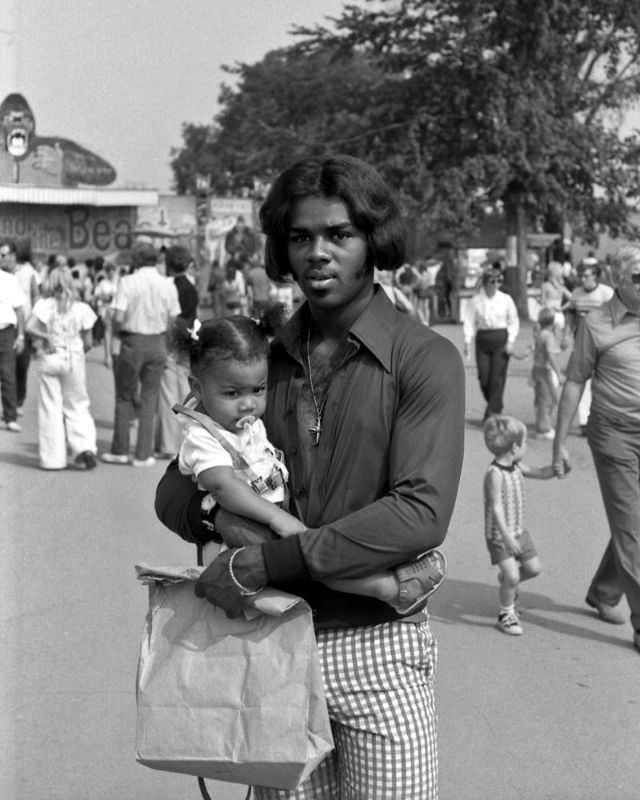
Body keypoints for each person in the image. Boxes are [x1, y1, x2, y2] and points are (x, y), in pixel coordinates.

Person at [155, 154, 465, 799]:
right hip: (276, 644)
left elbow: (419, 513)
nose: (317, 254)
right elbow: (176, 486)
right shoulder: (262, 366)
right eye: (301, 238)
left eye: (339, 235)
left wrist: (272, 559)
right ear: (281, 248)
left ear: (372, 241)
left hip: (380, 653)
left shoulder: (424, 359)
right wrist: (219, 518)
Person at [173, 314, 447, 614]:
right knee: (313, 563)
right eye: (232, 393)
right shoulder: (203, 435)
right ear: (197, 388)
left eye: (258, 390)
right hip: (243, 524)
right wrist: (277, 520)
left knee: (311, 557)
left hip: (269, 512)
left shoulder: (240, 422)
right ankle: (390, 589)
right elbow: (222, 486)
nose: (248, 403)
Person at [553, 245, 640, 653]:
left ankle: (605, 590)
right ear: (618, 278)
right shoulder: (597, 323)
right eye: (638, 276)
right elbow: (574, 381)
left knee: (632, 523)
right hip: (614, 433)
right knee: (632, 525)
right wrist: (559, 445)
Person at [101, 240, 180, 467]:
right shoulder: (168, 284)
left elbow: (117, 317)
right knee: (150, 398)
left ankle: (121, 449)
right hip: (158, 341)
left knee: (125, 396)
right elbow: (173, 318)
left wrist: (118, 333)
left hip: (132, 341)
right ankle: (143, 454)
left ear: (136, 260)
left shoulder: (127, 282)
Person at [483, 415, 556, 635]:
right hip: (500, 536)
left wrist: (556, 469)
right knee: (513, 576)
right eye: (524, 443)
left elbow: (539, 472)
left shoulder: (516, 466)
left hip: (520, 532)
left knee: (534, 569)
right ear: (515, 447)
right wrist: (506, 538)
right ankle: (506, 613)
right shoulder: (494, 474)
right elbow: (496, 507)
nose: (526, 446)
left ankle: (507, 582)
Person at [25, 267, 98, 470]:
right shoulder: (81, 308)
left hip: (50, 357)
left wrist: (47, 337)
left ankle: (53, 459)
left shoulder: (45, 305)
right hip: (73, 358)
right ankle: (84, 447)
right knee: (77, 404)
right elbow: (89, 341)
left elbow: (29, 326)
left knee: (51, 408)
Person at [155, 244, 199, 458]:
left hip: (168, 341)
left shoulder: (165, 286)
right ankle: (186, 442)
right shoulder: (190, 288)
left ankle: (167, 444)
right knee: (186, 392)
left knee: (167, 394)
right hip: (186, 342)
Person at [463, 264, 520, 419]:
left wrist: (511, 340)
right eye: (492, 281)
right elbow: (469, 320)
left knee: (497, 377)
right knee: (484, 377)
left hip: (500, 338)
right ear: (485, 283)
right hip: (483, 339)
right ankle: (496, 404)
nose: (496, 285)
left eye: (498, 281)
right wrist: (467, 341)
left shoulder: (506, 299)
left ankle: (492, 412)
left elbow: (513, 321)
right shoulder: (476, 300)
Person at [565, 260, 614, 434]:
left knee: (603, 382)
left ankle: (603, 418)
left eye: (586, 275)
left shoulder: (606, 293)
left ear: (595, 276)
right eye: (581, 275)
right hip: (582, 343)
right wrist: (566, 334)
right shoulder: (576, 293)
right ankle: (585, 421)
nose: (582, 278)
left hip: (603, 342)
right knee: (581, 382)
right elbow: (571, 313)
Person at [0, 240, 26, 432]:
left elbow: (19, 310)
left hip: (6, 332)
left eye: (4, 255)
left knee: (8, 375)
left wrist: (21, 336)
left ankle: (10, 417)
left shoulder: (9, 280)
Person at [12, 238, 40, 415]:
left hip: (26, 322)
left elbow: (36, 297)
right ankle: (10, 400)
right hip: (9, 321)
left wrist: (35, 319)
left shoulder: (31, 273)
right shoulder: (8, 270)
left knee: (22, 365)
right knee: (9, 365)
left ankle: (18, 400)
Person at [531, 307, 562, 439]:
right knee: (549, 399)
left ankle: (541, 425)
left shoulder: (539, 334)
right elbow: (550, 355)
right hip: (545, 370)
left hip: (536, 369)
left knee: (541, 399)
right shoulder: (548, 336)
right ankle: (544, 428)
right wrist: (558, 373)